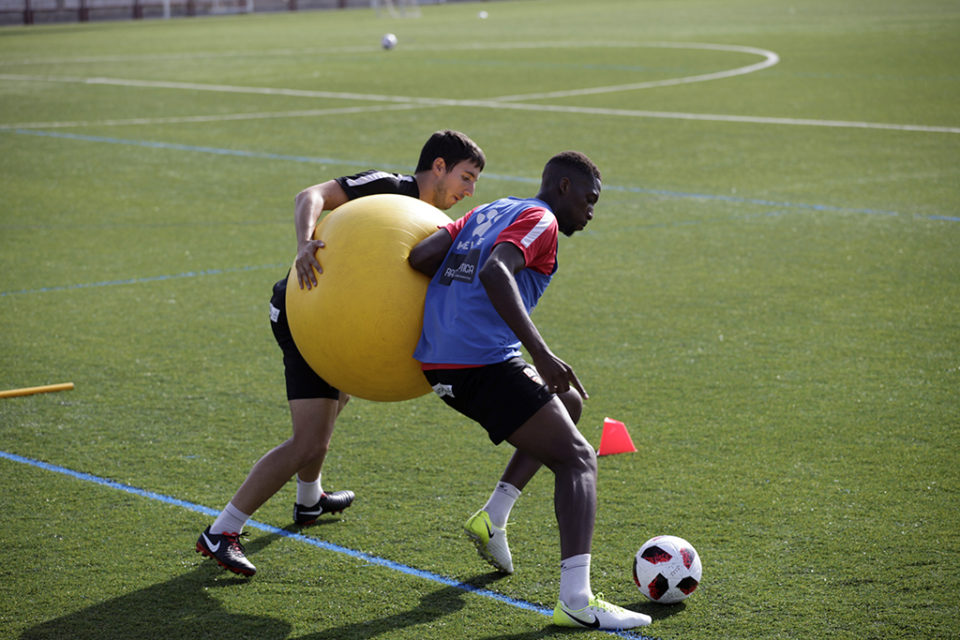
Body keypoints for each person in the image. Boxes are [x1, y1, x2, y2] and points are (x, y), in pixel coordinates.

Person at [196, 130, 486, 577]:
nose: (469, 191)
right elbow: (310, 195)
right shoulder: (390, 187)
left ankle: (309, 500)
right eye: (466, 178)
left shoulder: (431, 220)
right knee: (309, 440)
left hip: (341, 326)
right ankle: (222, 530)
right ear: (439, 166)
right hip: (304, 318)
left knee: (339, 398)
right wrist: (303, 244)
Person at [409, 151, 652, 630]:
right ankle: (577, 601)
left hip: (440, 362)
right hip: (481, 363)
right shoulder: (542, 220)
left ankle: (492, 517)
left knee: (567, 402)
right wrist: (541, 353)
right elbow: (495, 271)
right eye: (589, 199)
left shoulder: (492, 208)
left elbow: (421, 257)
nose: (591, 212)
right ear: (563, 187)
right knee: (579, 459)